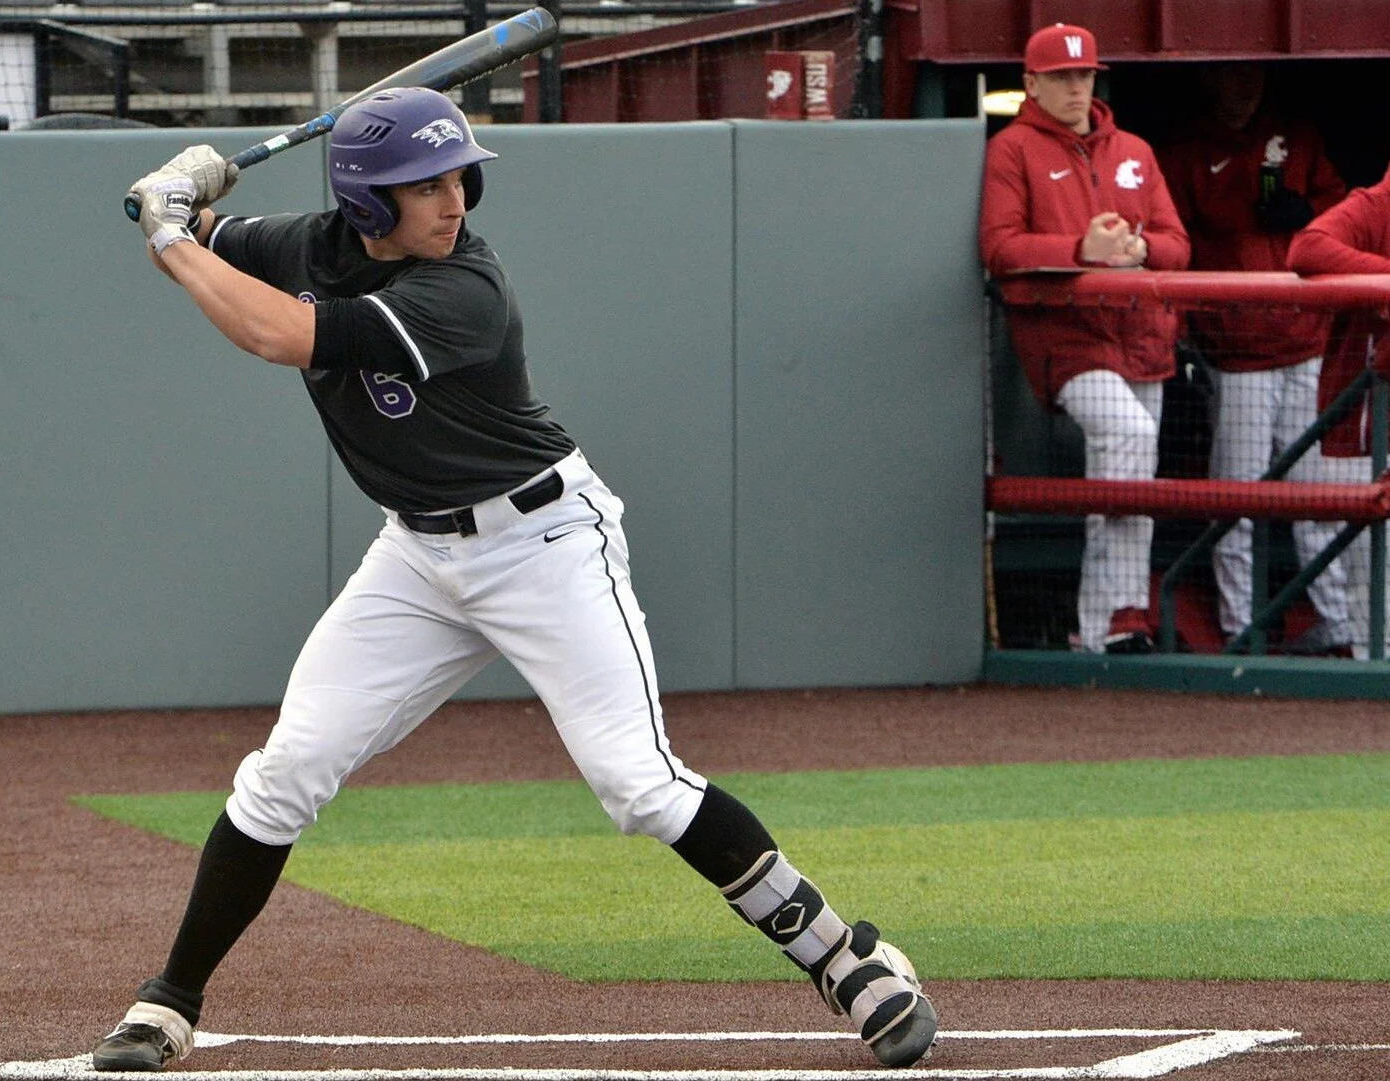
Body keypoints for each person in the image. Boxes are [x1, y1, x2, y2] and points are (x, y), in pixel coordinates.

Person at [99, 87, 939, 1072]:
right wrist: (176, 201)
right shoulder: (311, 244)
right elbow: (204, 242)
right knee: (284, 772)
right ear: (368, 205)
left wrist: (169, 237)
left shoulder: (463, 290)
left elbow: (272, 333)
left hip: (543, 546)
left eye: (460, 175)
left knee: (638, 783)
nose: (454, 198)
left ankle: (845, 956)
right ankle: (168, 1003)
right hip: (416, 554)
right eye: (426, 185)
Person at [979, 23, 1191, 652]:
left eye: (1085, 75)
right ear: (1032, 84)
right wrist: (1083, 250)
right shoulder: (1012, 149)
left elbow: (1179, 245)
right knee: (1128, 436)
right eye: (1063, 76)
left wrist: (1139, 247)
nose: (1077, 86)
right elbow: (998, 247)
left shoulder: (1134, 150)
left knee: (1131, 481)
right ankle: (1121, 613)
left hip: (1141, 336)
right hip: (1067, 340)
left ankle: (1103, 627)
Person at [1161, 62, 1353, 654]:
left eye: (1253, 77)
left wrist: (1309, 216)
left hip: (1305, 345)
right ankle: (1237, 627)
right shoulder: (1186, 151)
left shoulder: (1296, 139)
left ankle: (1340, 626)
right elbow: (1171, 244)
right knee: (1235, 501)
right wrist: (1186, 332)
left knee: (1317, 502)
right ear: (1208, 81)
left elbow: (1346, 215)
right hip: (1237, 355)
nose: (1244, 88)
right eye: (1232, 77)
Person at [1288, 162, 1390, 657]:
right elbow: (1306, 248)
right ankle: (1373, 665)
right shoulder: (1376, 204)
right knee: (1370, 575)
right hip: (1368, 425)